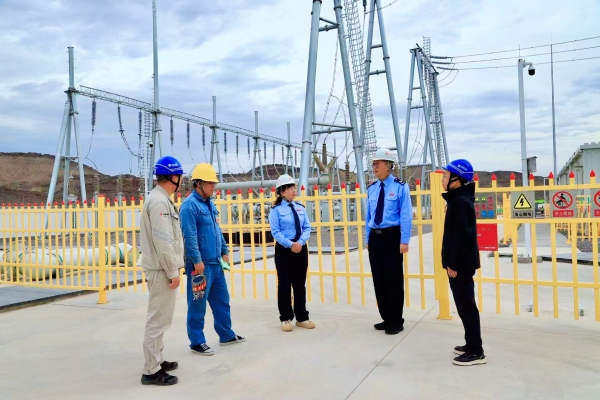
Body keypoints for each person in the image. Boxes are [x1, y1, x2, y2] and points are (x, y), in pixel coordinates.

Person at [179, 163, 245, 356]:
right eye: (210, 183)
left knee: (222, 301)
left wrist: (224, 250)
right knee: (197, 304)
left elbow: (217, 230)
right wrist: (196, 260)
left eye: (214, 183)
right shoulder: (189, 206)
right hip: (200, 266)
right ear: (198, 183)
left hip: (215, 263)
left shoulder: (210, 204)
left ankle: (226, 335)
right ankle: (197, 341)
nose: (213, 186)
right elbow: (189, 236)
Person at [140, 156, 185, 386]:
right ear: (174, 177)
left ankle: (157, 359)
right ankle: (151, 370)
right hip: (161, 269)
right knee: (157, 319)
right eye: (180, 177)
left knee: (162, 317)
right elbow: (163, 240)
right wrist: (172, 271)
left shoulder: (160, 199)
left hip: (161, 268)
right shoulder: (159, 202)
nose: (182, 181)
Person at [441, 159, 486, 366]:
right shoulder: (458, 200)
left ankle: (476, 351)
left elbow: (462, 238)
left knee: (467, 306)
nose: (442, 179)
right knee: (464, 306)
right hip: (460, 263)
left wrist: (453, 264)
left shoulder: (460, 203)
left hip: (460, 265)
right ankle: (471, 344)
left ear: (457, 179)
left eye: (445, 176)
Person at [365, 149, 412, 335]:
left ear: (389, 165)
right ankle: (386, 317)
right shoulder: (372, 188)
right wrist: (368, 238)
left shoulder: (400, 187)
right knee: (379, 279)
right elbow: (368, 216)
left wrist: (404, 240)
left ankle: (396, 320)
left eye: (378, 164)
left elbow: (406, 215)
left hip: (392, 236)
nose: (374, 167)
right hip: (375, 237)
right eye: (373, 164)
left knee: (393, 280)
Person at [268, 174, 314, 332]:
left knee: (300, 284)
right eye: (290, 188)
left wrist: (299, 243)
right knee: (285, 284)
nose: (294, 190)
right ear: (281, 192)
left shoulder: (300, 208)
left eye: (294, 187)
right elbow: (275, 232)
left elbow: (307, 227)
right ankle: (286, 318)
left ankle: (302, 317)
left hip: (300, 248)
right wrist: (290, 244)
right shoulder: (275, 211)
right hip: (284, 250)